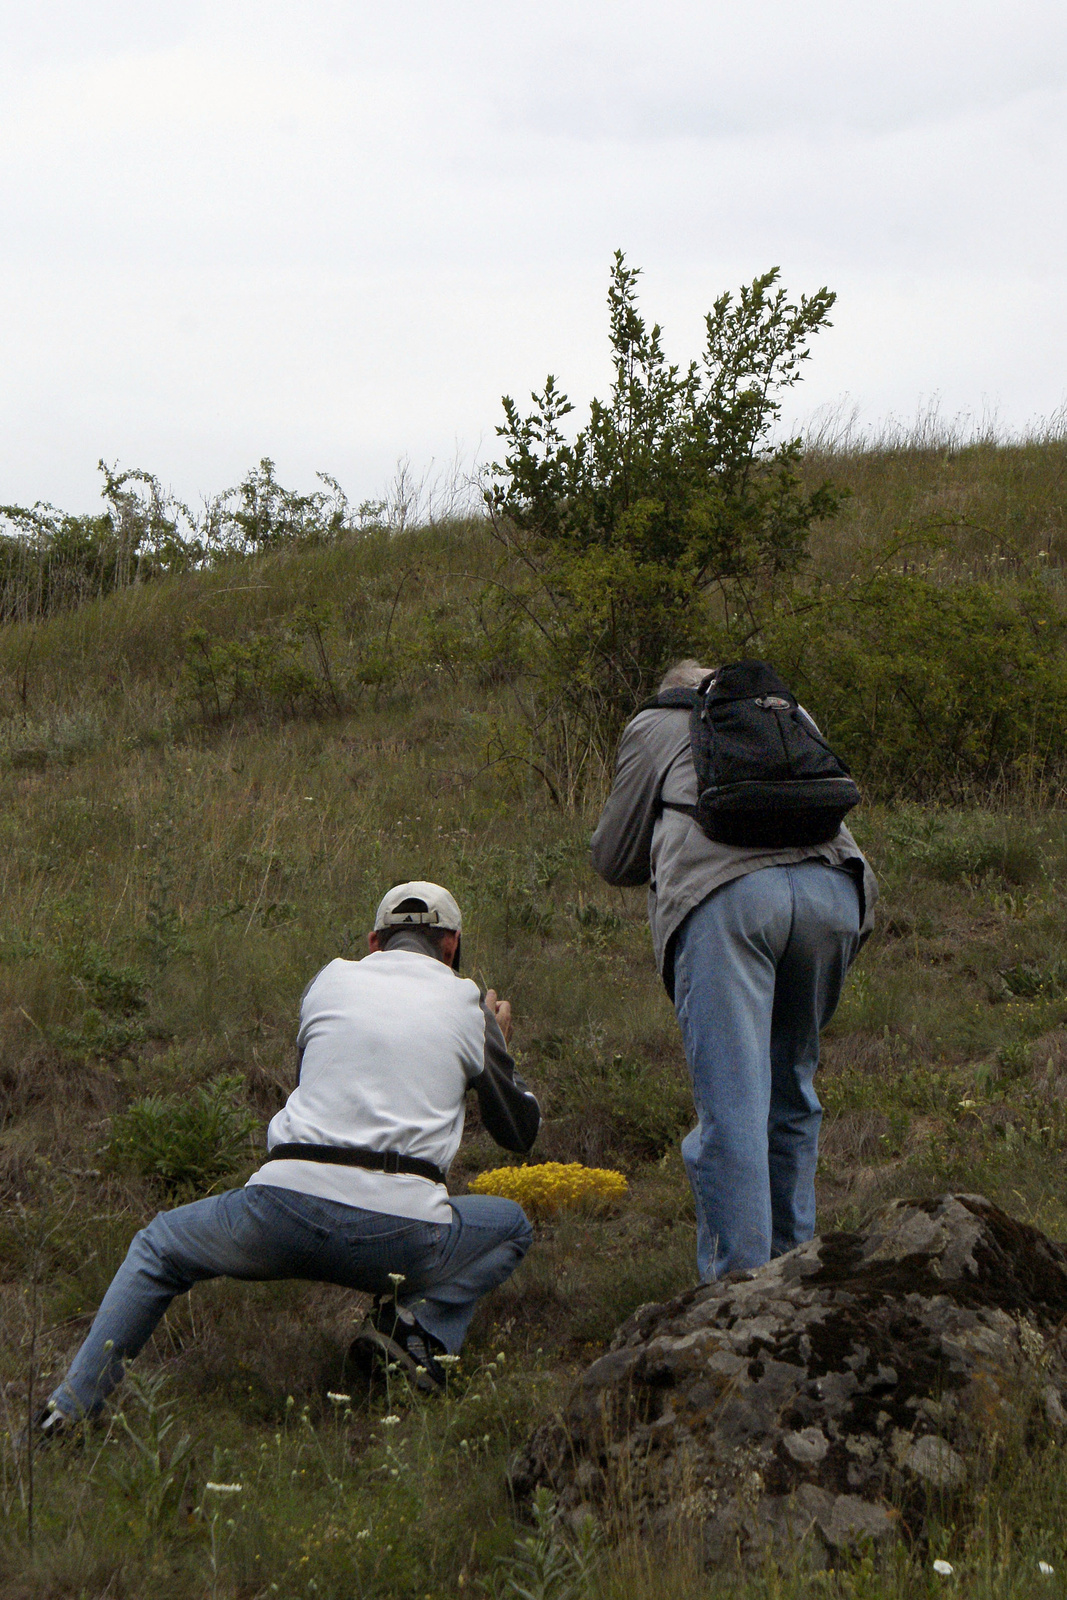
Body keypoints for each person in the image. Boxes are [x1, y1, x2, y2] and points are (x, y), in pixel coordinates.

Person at [39, 881, 539, 1434]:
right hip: (400, 1238)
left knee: (159, 1247)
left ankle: (68, 1413)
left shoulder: (329, 978)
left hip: (279, 1210)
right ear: (452, 944)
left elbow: (313, 1081)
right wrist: (500, 1048)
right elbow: (519, 1133)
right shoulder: (468, 1002)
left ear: (374, 941)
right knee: (511, 1225)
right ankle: (413, 1332)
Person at [591, 663, 877, 1283]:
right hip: (835, 896)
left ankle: (736, 1300)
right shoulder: (787, 708)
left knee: (734, 1113)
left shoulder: (657, 722)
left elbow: (614, 857)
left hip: (730, 906)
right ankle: (796, 1278)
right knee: (791, 1092)